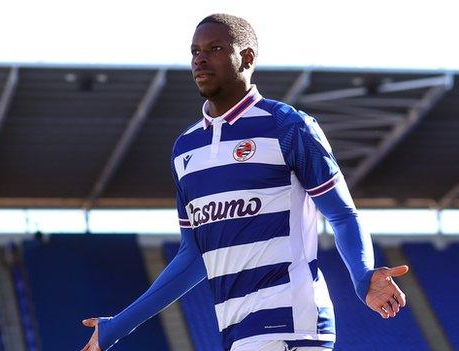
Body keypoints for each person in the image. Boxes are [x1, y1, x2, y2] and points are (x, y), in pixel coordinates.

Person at [81, 13, 409, 351]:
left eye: (216, 48)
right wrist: (116, 327)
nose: (201, 58)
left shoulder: (287, 126)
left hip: (292, 323)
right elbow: (194, 256)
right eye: (195, 51)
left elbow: (342, 215)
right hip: (238, 332)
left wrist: (362, 275)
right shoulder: (185, 149)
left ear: (247, 58)